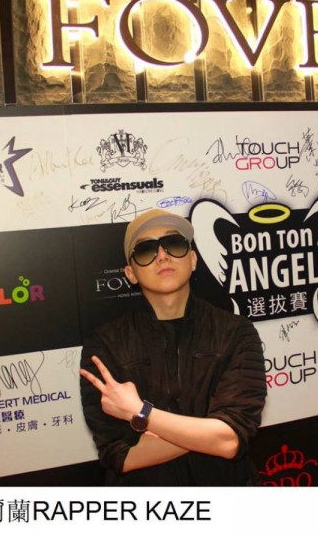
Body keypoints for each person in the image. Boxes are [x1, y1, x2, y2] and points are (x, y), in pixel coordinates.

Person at [79, 208, 267, 486]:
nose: (162, 256)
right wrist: (208, 429)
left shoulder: (236, 332)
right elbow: (120, 456)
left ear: (193, 259)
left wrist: (140, 413)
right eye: (146, 250)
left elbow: (230, 439)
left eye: (174, 244)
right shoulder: (105, 343)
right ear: (131, 273)